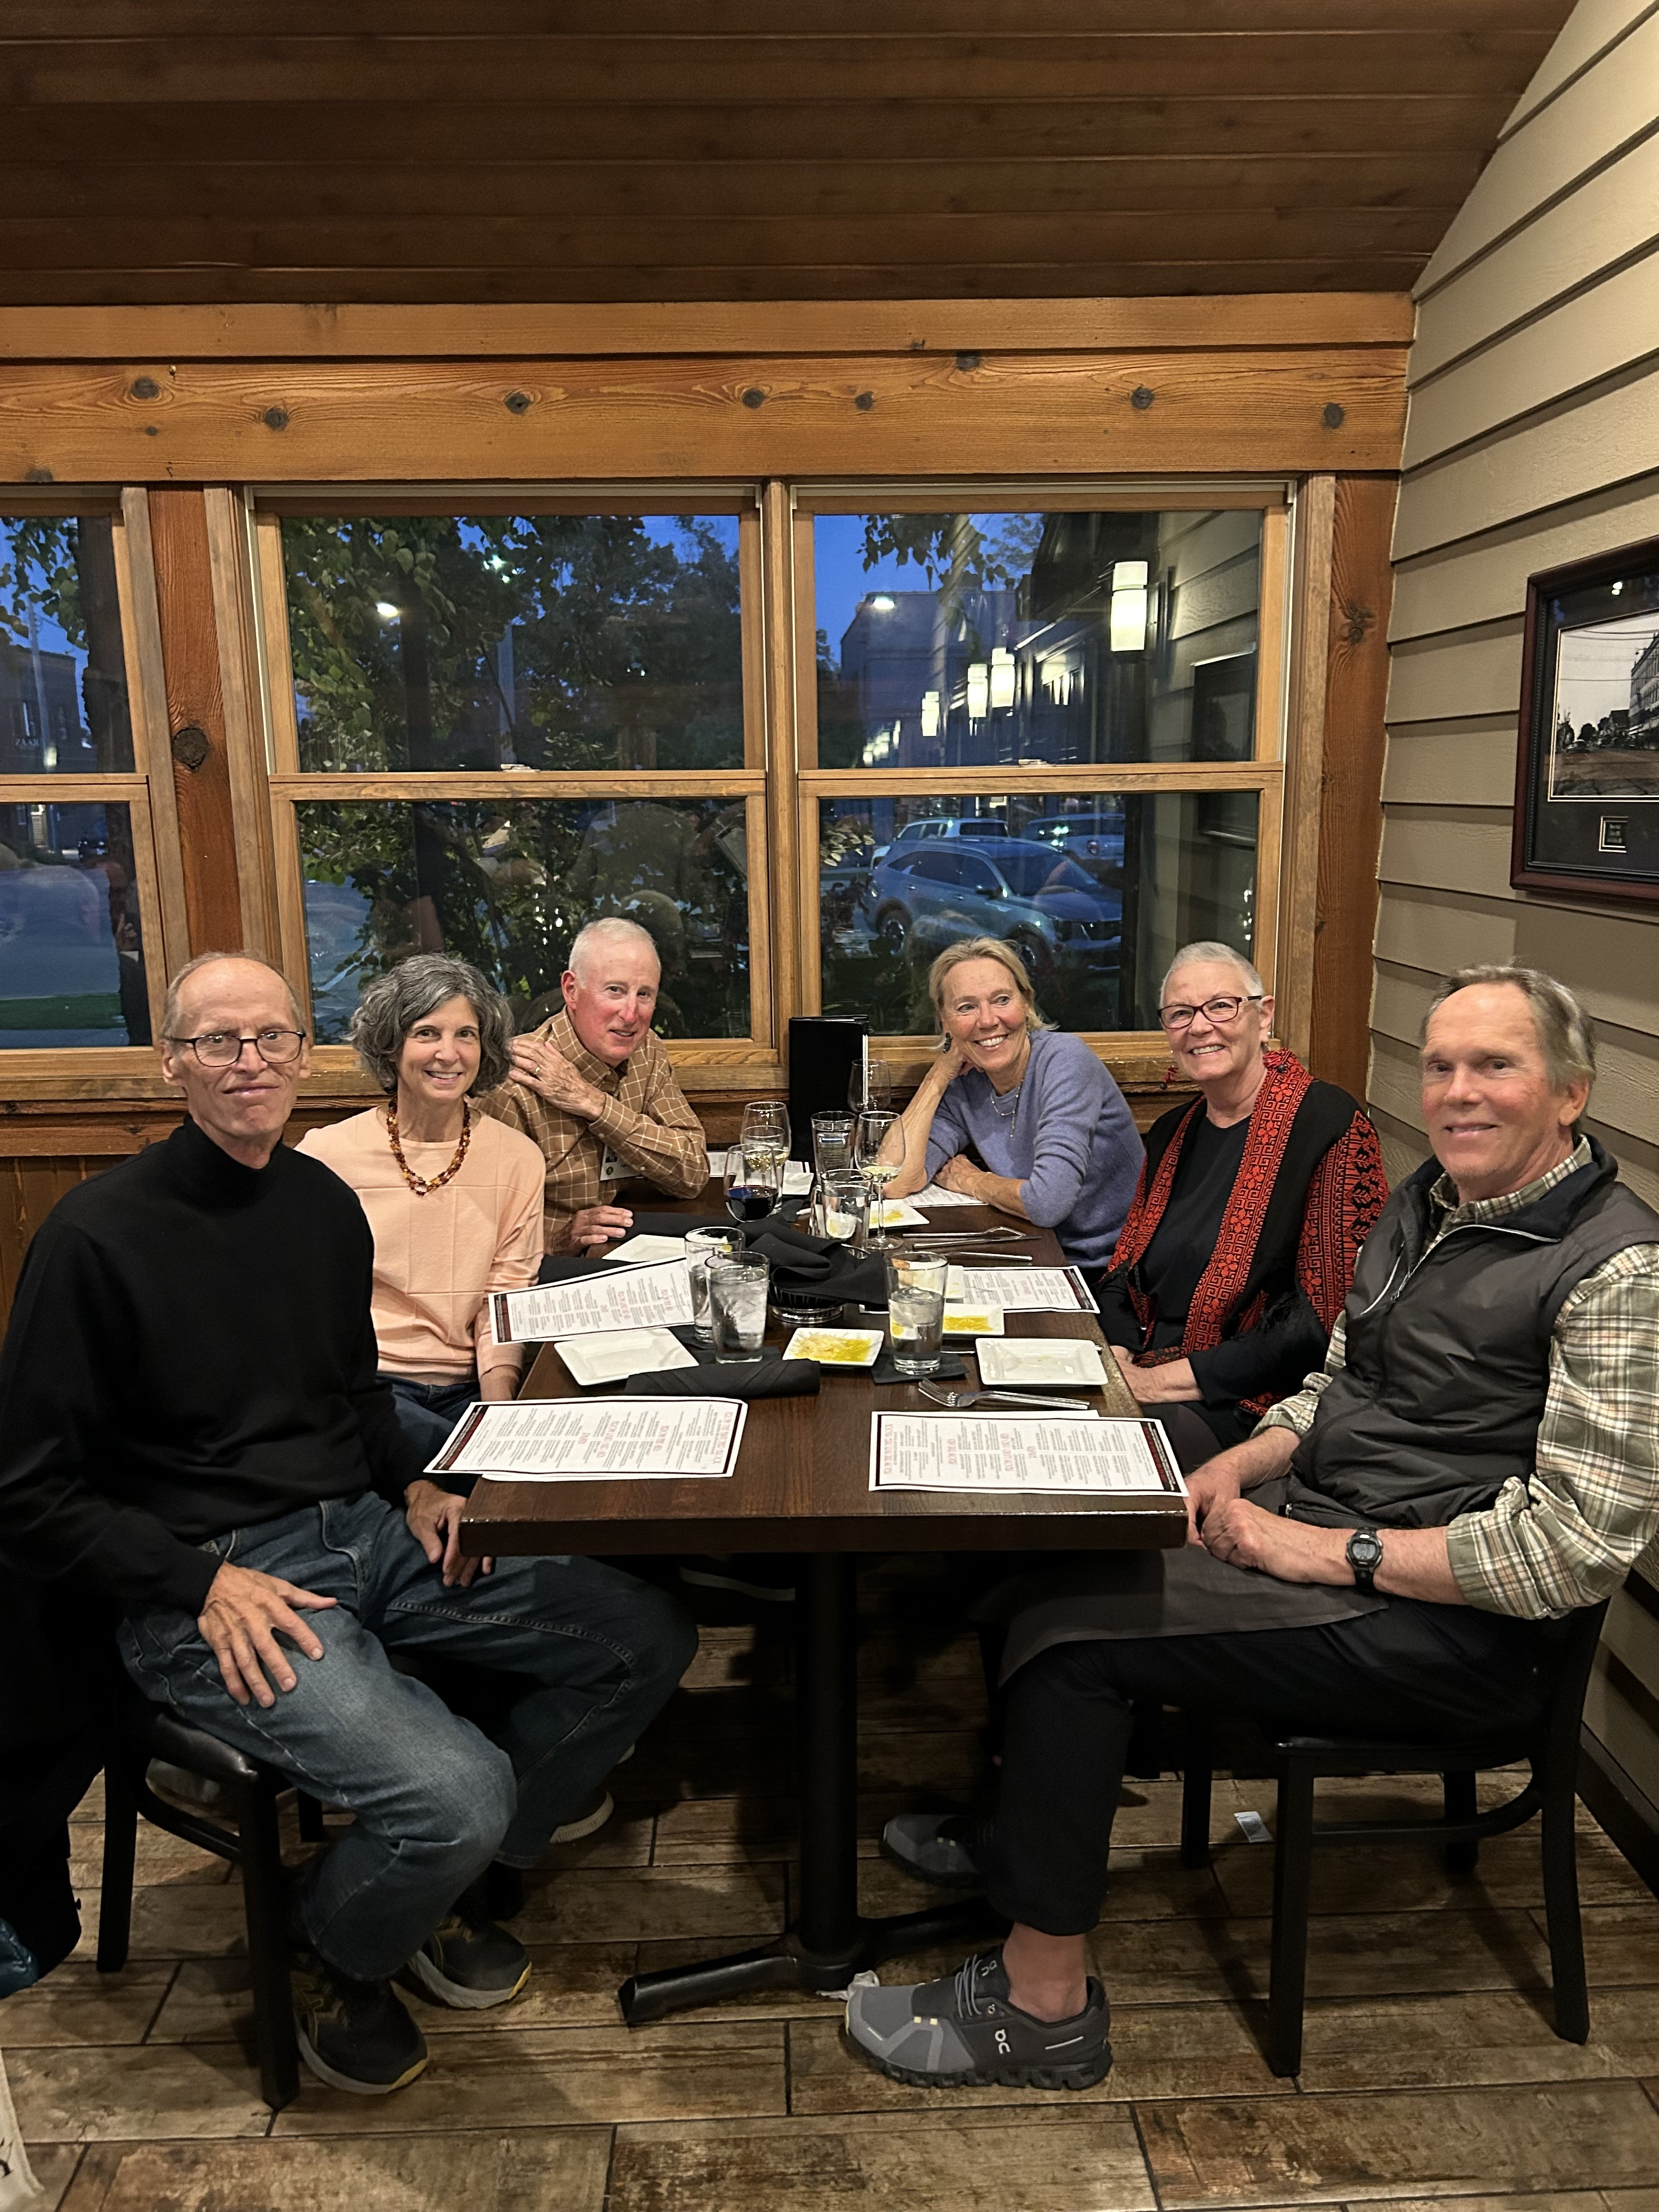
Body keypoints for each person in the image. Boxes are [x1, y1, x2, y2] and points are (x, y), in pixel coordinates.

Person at [850, 965, 1659, 2092]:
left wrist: (1327, 1553)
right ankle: (1019, 1858)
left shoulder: (1615, 1266)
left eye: (1496, 1066)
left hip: (1456, 1631)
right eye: (1440, 1066)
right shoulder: (1432, 1202)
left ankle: (1044, 2010)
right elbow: (1334, 1386)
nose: (1460, 1093)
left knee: (1073, 1638)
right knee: (1056, 1567)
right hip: (1329, 1532)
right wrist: (1230, 1466)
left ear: (1571, 1093)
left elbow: (1574, 1549)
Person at [0, 951, 696, 2097]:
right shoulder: (95, 1236)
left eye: (271, 1038)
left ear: (305, 1054)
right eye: (218, 1042)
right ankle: (336, 1939)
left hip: (364, 1526)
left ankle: (420, 1882)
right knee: (458, 1791)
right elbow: (27, 1491)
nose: (248, 1062)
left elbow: (358, 1395)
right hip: (211, 1585)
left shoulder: (318, 1203)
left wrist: (420, 1486)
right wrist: (198, 1585)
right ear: (173, 1061)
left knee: (643, 1639)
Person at [1097, 941, 1387, 1472]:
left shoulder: (1328, 1125)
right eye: (1181, 1014)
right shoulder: (1171, 1132)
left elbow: (1322, 1323)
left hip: (1248, 1404)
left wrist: (1153, 1383)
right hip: (1140, 1373)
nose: (1200, 1026)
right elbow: (1123, 1274)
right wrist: (1115, 1361)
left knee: (1090, 1458)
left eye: (1221, 1006)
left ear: (1264, 1014)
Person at [297, 953, 544, 1463]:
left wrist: (500, 1416)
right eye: (427, 1033)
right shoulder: (325, 1156)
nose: (448, 1055)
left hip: (470, 1388)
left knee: (521, 1484)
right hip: (368, 1389)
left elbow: (504, 1302)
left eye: (467, 1035)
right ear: (391, 1047)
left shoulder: (518, 1158)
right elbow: (305, 1308)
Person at [880, 936, 1142, 1273]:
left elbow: (1047, 1203)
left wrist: (975, 1182)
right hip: (1033, 1252)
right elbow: (893, 1179)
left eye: (1002, 1000)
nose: (987, 1020)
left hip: (1108, 1269)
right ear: (944, 1021)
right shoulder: (966, 1083)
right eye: (966, 1008)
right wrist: (939, 1076)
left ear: (1027, 1003)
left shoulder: (1065, 1061)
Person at [482, 915, 706, 1256]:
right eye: (615, 990)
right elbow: (482, 1230)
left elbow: (692, 1172)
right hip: (543, 1271)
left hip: (620, 1246)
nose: (630, 1014)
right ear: (571, 990)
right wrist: (559, 1240)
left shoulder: (647, 1051)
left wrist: (594, 1104)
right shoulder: (514, 1081)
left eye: (644, 994)